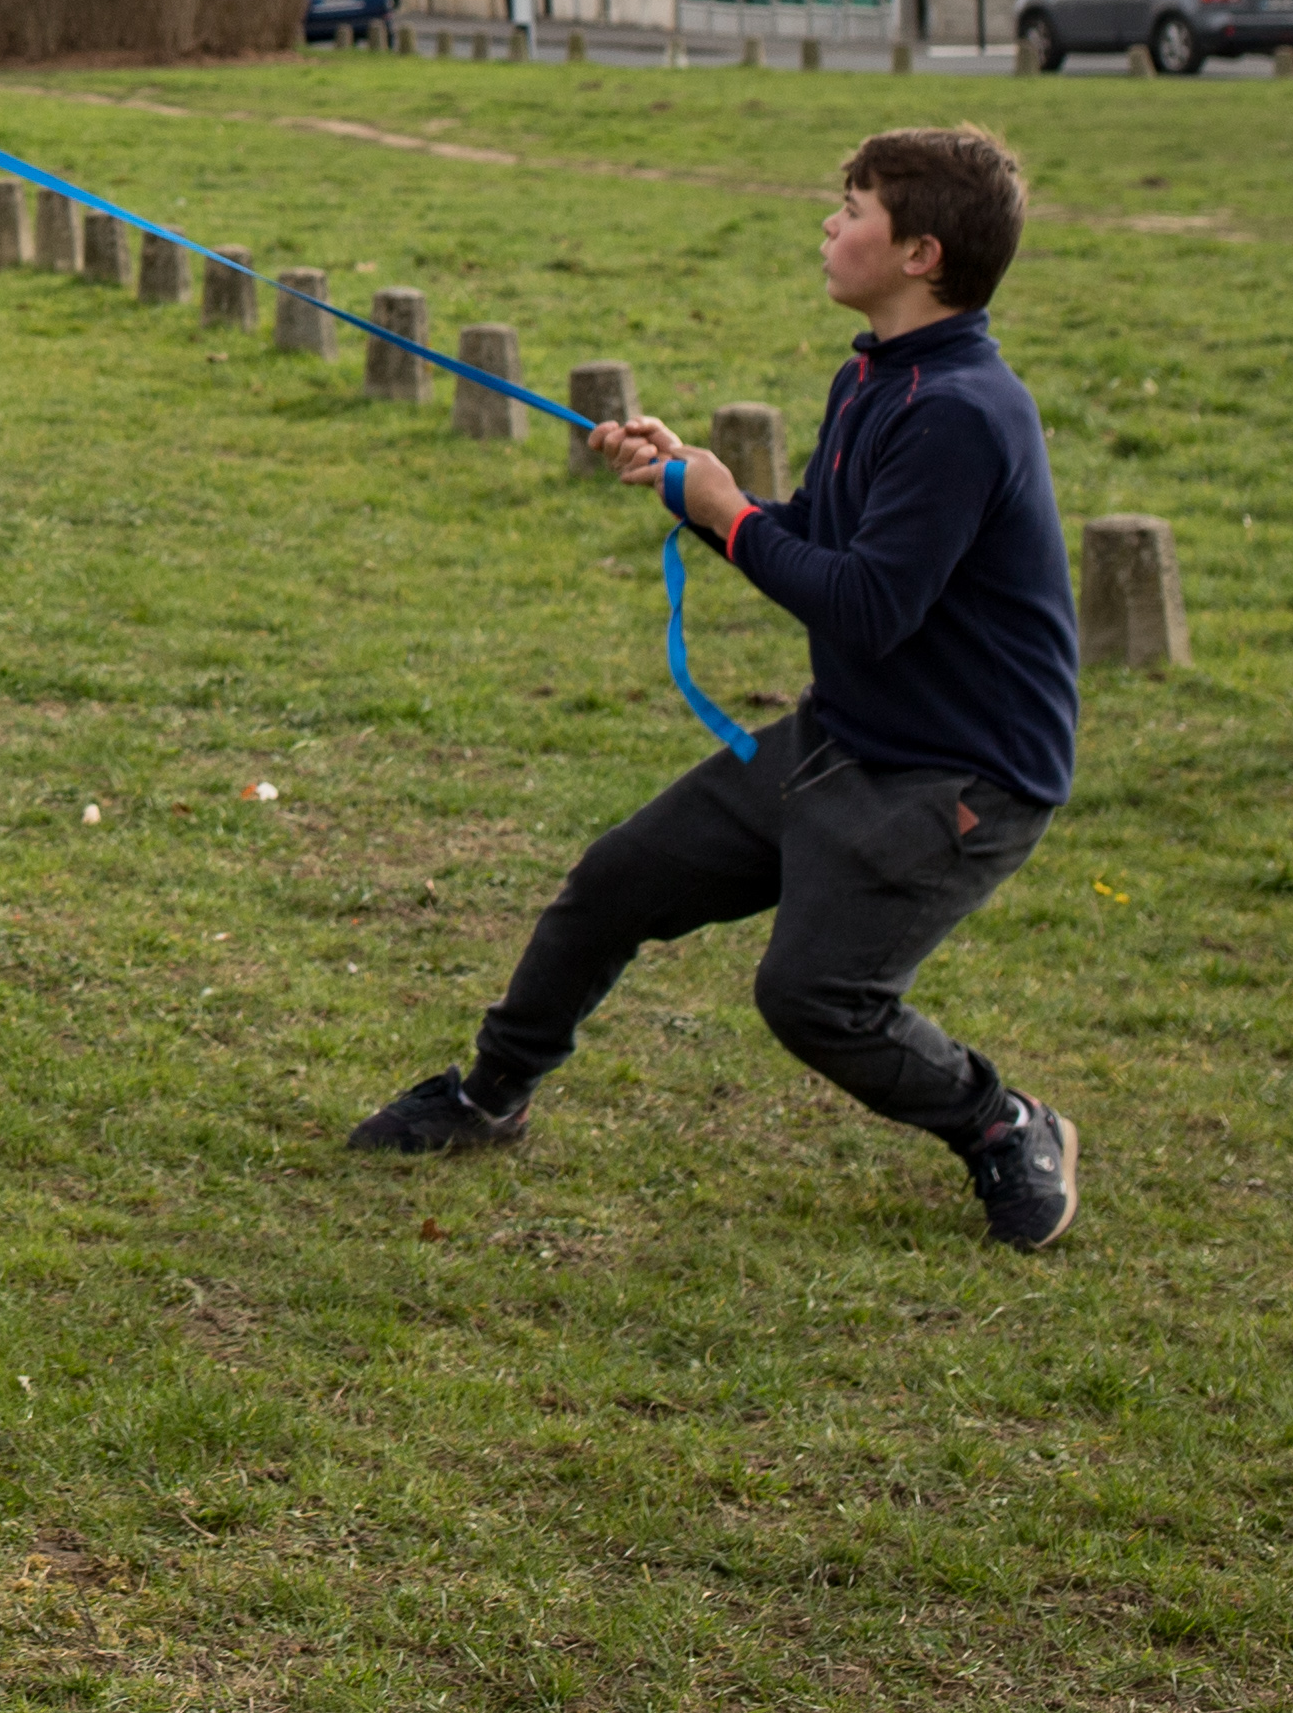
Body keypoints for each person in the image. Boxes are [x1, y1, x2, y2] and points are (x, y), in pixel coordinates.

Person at [344, 121, 1084, 1249]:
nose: (830, 223)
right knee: (614, 880)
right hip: (849, 734)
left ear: (922, 252)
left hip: (958, 778)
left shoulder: (962, 412)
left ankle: (1001, 1121)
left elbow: (868, 606)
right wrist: (693, 481)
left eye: (854, 206)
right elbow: (824, 543)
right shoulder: (879, 374)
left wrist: (726, 512)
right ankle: (490, 1095)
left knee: (814, 998)